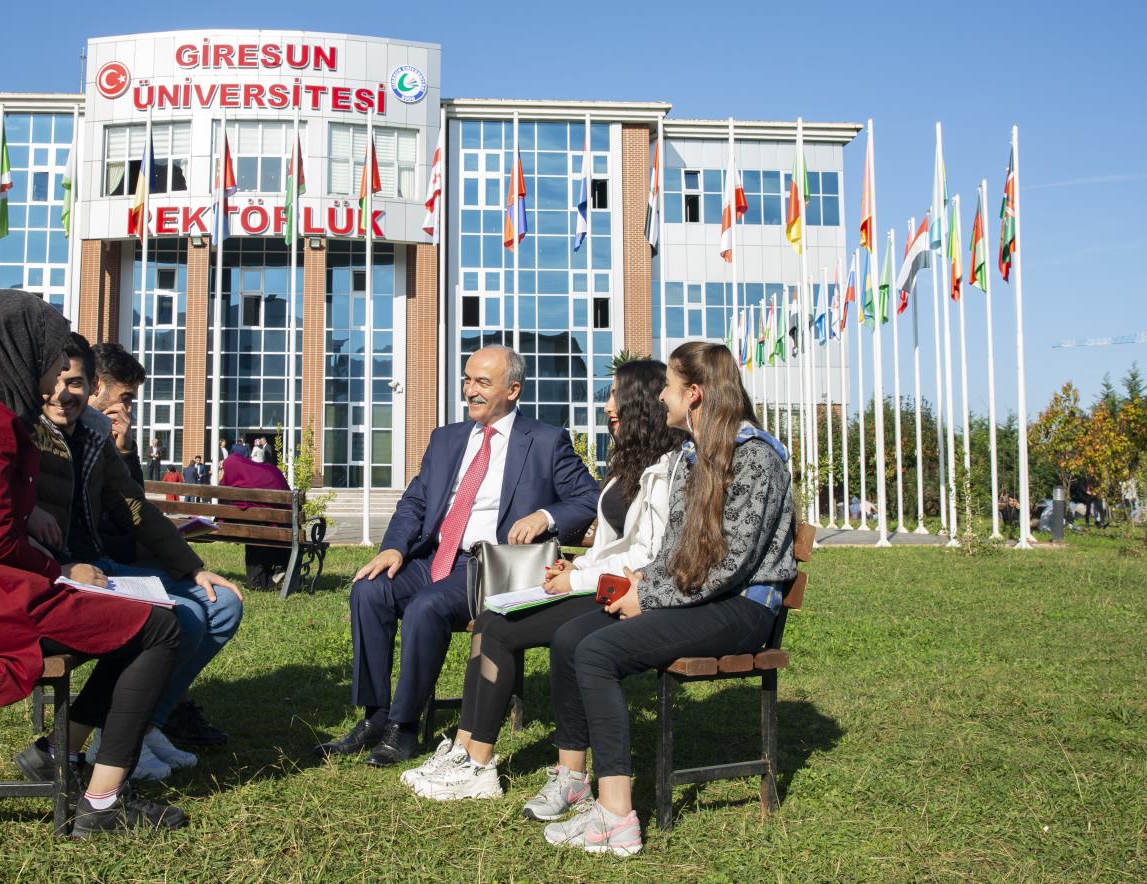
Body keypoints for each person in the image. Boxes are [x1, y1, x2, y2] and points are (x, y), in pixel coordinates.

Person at [0, 290, 186, 835]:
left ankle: (60, 753)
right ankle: (102, 802)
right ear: (19, 347)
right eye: (49, 352)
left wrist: (26, 517)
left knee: (144, 623)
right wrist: (62, 570)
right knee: (160, 629)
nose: (56, 371)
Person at [539, 341, 798, 857]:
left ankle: (616, 818)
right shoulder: (690, 456)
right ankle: (577, 783)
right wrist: (639, 584)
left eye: (670, 387)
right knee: (573, 637)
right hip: (699, 598)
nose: (661, 396)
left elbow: (731, 565)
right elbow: (676, 550)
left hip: (744, 609)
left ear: (694, 394)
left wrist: (651, 596)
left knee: (598, 652)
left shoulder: (756, 457)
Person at [403, 359, 686, 803]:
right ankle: (467, 751)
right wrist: (576, 566)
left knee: (508, 627)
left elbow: (646, 556)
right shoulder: (628, 464)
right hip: (598, 582)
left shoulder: (669, 469)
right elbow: (611, 545)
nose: (607, 406)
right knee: (493, 617)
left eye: (615, 395)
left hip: (626, 593)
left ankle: (478, 762)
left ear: (641, 402)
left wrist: (578, 577)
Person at [314, 345, 600, 767]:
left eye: (482, 382)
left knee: (426, 608)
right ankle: (375, 716)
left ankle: (403, 726)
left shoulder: (544, 441)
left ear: (513, 390)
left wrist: (544, 516)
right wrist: (393, 547)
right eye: (467, 380)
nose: (470, 390)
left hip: (488, 568)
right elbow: (415, 501)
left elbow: (589, 497)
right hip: (434, 557)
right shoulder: (447, 439)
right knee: (369, 592)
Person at [30, 335, 242, 764]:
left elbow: (131, 504)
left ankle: (143, 729)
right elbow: (2, 515)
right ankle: (115, 740)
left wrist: (192, 567)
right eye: (57, 382)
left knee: (221, 603)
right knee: (183, 616)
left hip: (105, 563)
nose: (64, 394)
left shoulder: (94, 433)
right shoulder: (27, 433)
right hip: (66, 572)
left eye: (74, 384)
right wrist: (63, 566)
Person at [218, 450, 297, 591]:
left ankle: (258, 581)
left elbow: (223, 504)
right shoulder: (271, 471)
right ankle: (279, 571)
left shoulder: (235, 481)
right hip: (280, 527)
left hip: (248, 528)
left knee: (255, 528)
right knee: (270, 527)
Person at [90, 342, 147, 483]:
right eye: (125, 398)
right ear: (97, 386)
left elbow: (134, 495)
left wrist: (125, 452)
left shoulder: (110, 436)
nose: (128, 409)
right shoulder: (63, 428)